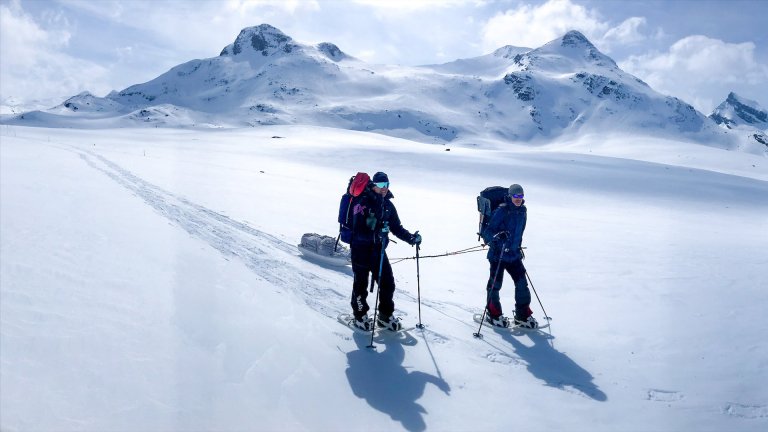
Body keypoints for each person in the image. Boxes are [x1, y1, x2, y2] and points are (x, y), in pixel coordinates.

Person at [349, 172, 421, 331]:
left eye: (387, 185)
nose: (384, 189)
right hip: (360, 250)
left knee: (387, 283)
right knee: (361, 284)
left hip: (378, 251)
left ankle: (384, 316)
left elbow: (396, 227)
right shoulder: (362, 202)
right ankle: (360, 316)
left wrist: (411, 238)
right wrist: (376, 231)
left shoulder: (388, 205)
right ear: (373, 185)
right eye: (381, 185)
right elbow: (358, 230)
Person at [480, 184, 538, 329]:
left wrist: (517, 247)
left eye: (521, 196)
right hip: (498, 255)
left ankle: (522, 315)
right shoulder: (502, 210)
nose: (518, 199)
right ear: (510, 196)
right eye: (516, 196)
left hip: (513, 255)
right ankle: (493, 314)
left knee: (522, 285)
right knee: (495, 285)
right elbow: (487, 232)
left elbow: (520, 233)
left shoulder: (522, 212)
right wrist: (498, 237)